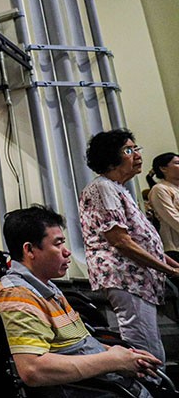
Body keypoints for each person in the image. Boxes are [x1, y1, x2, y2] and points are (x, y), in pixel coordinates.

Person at [0, 205, 160, 397]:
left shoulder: (46, 286)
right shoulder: (17, 293)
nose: (67, 252)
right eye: (58, 244)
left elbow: (77, 344)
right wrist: (113, 361)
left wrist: (122, 356)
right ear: (30, 250)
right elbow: (32, 369)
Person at [79, 130, 179, 365]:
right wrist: (170, 270)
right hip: (125, 275)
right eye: (128, 150)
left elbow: (140, 238)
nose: (136, 155)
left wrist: (169, 263)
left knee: (150, 343)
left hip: (137, 276)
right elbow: (120, 240)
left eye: (136, 149)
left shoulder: (117, 189)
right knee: (144, 345)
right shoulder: (103, 188)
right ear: (110, 157)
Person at [147, 152, 179, 264]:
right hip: (175, 249)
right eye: (177, 163)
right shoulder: (160, 189)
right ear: (163, 168)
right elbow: (173, 218)